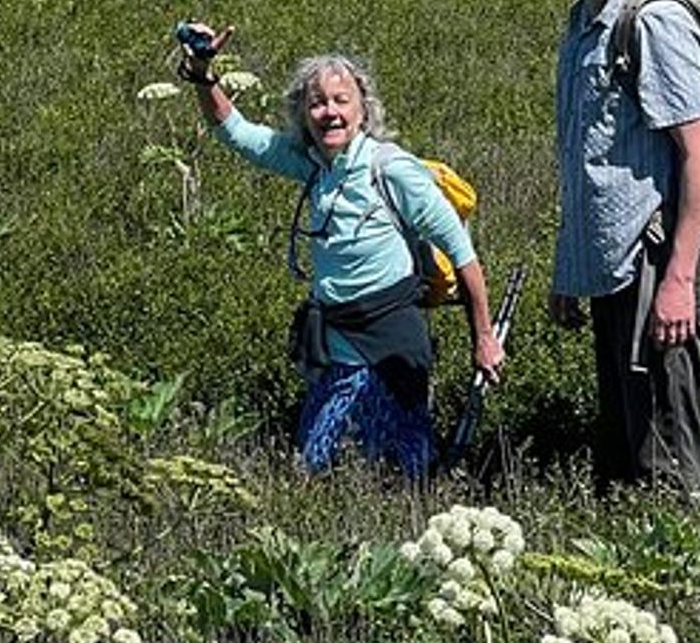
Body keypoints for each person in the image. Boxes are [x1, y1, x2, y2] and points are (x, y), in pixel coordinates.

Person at [178, 27, 504, 478]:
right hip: (337, 337)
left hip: (393, 337)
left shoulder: (392, 170)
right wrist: (201, 74)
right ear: (303, 115)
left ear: (362, 110)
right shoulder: (313, 164)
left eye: (340, 100)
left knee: (402, 465)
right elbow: (238, 134)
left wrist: (483, 338)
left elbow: (461, 251)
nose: (329, 112)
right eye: (317, 103)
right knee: (316, 464)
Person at [547, 0, 700, 500]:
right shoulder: (583, 21)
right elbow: (585, 156)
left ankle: (690, 571)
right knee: (627, 441)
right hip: (610, 265)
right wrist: (569, 266)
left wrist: (678, 282)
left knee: (667, 442)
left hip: (654, 262)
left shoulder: (652, 21)